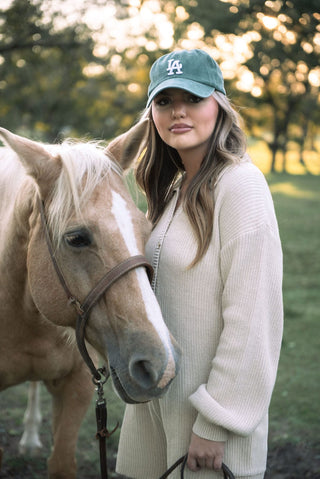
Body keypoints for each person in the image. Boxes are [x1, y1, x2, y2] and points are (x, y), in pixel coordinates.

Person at [115, 49, 283, 479]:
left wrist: (217, 421)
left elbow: (253, 319)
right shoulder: (172, 190)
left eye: (192, 98)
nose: (178, 112)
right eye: (165, 101)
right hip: (155, 418)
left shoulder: (240, 185)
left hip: (208, 431)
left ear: (219, 105)